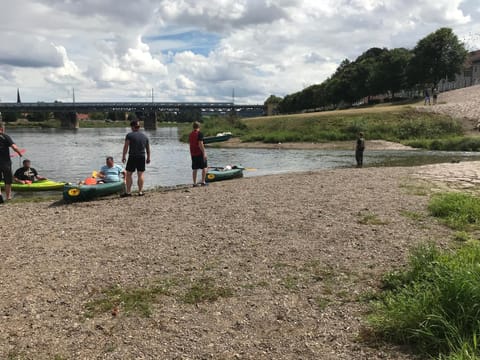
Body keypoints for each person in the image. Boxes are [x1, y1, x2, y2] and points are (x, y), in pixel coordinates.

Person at [121, 120, 150, 196]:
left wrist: (124, 156)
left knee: (129, 174)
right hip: (142, 156)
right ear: (138, 127)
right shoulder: (145, 136)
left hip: (132, 156)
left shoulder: (129, 135)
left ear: (132, 127)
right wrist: (148, 158)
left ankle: (128, 192)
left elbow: (126, 147)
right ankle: (140, 192)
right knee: (140, 174)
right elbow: (148, 149)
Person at [0, 122, 24, 202]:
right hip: (5, 162)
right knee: (8, 180)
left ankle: (0, 195)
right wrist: (20, 153)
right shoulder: (5, 136)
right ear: (2, 128)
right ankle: (8, 197)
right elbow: (14, 147)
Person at [189, 121, 208, 186]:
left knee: (195, 168)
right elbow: (200, 144)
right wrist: (204, 153)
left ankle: (194, 183)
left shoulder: (191, 134)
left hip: (193, 153)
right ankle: (203, 182)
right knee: (204, 167)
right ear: (199, 126)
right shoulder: (200, 134)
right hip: (199, 153)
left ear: (193, 127)